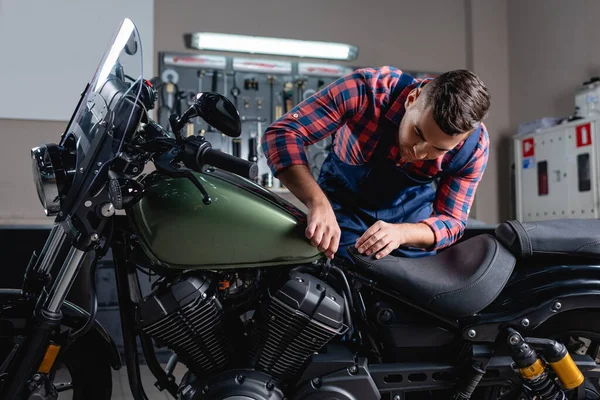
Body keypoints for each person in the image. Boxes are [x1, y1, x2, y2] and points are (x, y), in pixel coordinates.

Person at [261, 67, 490, 261]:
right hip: (341, 207)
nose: (419, 152)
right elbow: (283, 134)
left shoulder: (473, 148)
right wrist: (317, 202)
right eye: (418, 132)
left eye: (438, 149)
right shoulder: (366, 91)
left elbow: (452, 221)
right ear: (412, 100)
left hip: (408, 222)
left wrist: (402, 234)